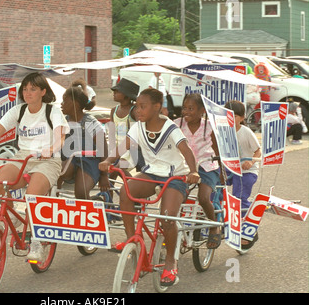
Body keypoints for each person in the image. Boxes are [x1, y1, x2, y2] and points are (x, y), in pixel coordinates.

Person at [99, 88, 200, 287]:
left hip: (175, 177)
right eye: (137, 106)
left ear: (157, 107)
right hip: (151, 173)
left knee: (167, 216)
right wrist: (109, 160)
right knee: (125, 192)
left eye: (143, 106)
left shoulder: (171, 128)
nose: (138, 110)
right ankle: (133, 241)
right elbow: (123, 147)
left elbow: (187, 152)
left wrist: (193, 172)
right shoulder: (137, 127)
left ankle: (170, 262)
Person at [0, 72, 69, 261]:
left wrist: (51, 149)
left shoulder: (52, 111)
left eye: (33, 89)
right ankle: (11, 216)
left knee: (32, 197)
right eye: (25, 89)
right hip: (23, 157)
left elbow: (60, 137)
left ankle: (36, 241)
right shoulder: (19, 111)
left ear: (43, 91)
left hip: (48, 160)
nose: (28, 93)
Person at [174, 93, 222, 249]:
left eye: (191, 108)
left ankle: (214, 225)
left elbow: (217, 149)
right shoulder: (176, 124)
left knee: (203, 197)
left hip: (206, 166)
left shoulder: (209, 126)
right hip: (184, 166)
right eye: (184, 108)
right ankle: (175, 229)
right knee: (175, 198)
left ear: (202, 110)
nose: (186, 112)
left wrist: (222, 172)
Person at [58, 81, 110, 199]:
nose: (61, 104)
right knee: (53, 175)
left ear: (75, 104)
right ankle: (53, 203)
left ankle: (93, 203)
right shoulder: (62, 121)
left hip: (88, 162)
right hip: (68, 159)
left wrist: (104, 175)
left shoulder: (90, 122)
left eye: (65, 100)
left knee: (81, 194)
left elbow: (103, 149)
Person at [224, 100, 261, 249]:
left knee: (239, 196)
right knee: (213, 190)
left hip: (247, 171)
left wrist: (250, 162)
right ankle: (218, 220)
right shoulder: (223, 130)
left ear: (242, 117)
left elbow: (258, 150)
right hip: (229, 168)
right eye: (227, 114)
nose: (230, 118)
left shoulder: (246, 132)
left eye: (235, 115)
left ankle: (250, 228)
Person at [108, 78, 139, 178]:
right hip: (117, 150)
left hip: (132, 150)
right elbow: (112, 134)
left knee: (119, 168)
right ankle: (108, 193)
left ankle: (133, 188)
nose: (114, 93)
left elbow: (137, 134)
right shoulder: (114, 111)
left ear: (126, 95)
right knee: (110, 174)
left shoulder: (134, 112)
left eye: (117, 91)